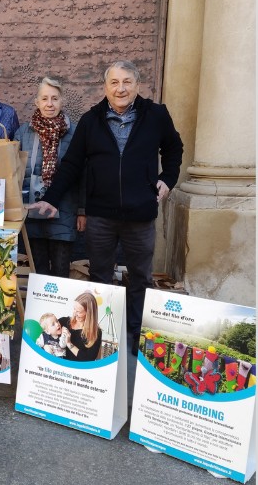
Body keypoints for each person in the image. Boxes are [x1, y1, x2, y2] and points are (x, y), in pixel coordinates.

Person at [30, 60, 184, 356]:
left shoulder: (156, 115)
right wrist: (51, 198)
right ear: (105, 87)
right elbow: (72, 164)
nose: (120, 88)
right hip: (101, 216)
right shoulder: (91, 120)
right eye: (114, 82)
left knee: (140, 277)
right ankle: (99, 342)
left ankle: (136, 338)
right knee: (100, 279)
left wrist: (168, 179)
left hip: (140, 215)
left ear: (137, 85)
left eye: (127, 82)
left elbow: (174, 149)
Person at [18, 76, 82, 278]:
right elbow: (15, 171)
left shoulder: (75, 133)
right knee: (38, 273)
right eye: (44, 99)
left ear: (62, 101)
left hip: (65, 211)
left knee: (60, 273)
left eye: (55, 98)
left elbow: (83, 174)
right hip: (32, 212)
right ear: (37, 102)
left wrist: (83, 210)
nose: (49, 104)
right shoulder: (23, 133)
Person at [57, 291, 102, 361]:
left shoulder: (96, 333)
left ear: (88, 314)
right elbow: (45, 332)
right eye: (74, 309)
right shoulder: (63, 321)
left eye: (78, 311)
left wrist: (69, 343)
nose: (74, 313)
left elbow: (88, 359)